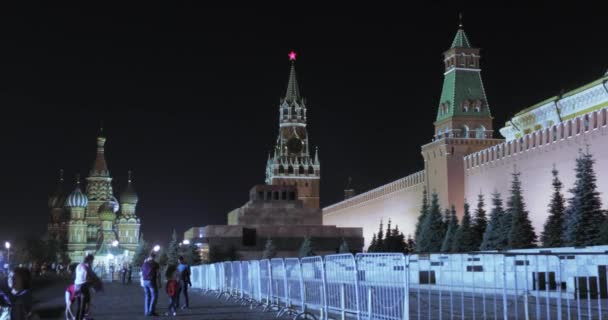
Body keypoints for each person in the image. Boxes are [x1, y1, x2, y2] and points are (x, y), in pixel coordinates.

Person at [74, 254, 101, 320]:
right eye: (92, 260)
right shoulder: (87, 266)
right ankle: (83, 317)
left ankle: (78, 318)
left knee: (79, 306)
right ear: (89, 260)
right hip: (83, 287)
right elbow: (91, 276)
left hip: (76, 286)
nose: (92, 262)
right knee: (83, 307)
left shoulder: (79, 265)